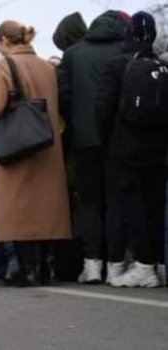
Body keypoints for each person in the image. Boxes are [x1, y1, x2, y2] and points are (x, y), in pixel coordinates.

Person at [0, 20, 71, 286]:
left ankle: (27, 270)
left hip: (17, 145)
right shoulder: (46, 66)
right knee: (46, 207)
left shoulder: (4, 64)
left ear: (4, 40)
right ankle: (47, 266)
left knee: (20, 208)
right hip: (46, 142)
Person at [96, 12, 167, 287]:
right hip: (157, 148)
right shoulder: (159, 66)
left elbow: (102, 108)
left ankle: (143, 265)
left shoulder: (117, 65)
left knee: (130, 207)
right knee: (155, 205)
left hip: (123, 148)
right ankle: (160, 264)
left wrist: (106, 141)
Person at [57, 10, 129, 284]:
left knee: (89, 203)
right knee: (116, 201)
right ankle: (115, 264)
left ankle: (91, 264)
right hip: (119, 139)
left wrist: (76, 121)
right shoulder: (125, 50)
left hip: (84, 140)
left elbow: (63, 94)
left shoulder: (74, 53)